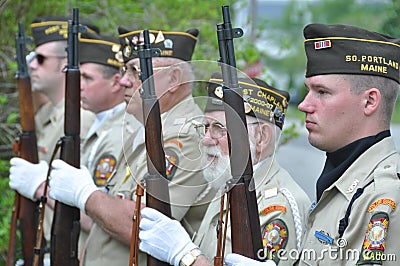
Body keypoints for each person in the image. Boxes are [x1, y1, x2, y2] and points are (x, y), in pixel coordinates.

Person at [224, 23, 400, 265]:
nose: (305, 105)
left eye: (322, 92)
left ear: (369, 101)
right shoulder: (340, 181)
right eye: (308, 91)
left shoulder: (384, 195)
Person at [47, 28, 217, 265]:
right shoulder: (147, 130)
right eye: (124, 70)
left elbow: (146, 226)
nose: (125, 81)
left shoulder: (187, 137)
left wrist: (85, 195)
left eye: (136, 71)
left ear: (174, 79)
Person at [138, 73, 311, 266]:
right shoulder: (227, 183)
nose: (205, 139)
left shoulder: (280, 205)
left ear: (261, 137)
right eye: (205, 127)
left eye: (219, 129)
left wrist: (186, 256)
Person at [8, 16, 99, 264]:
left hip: (72, 250)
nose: (33, 66)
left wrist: (40, 186)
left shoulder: (84, 120)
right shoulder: (49, 114)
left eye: (40, 59)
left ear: (65, 64)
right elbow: (33, 106)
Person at [77, 31, 142, 257]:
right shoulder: (103, 124)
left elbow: (101, 217)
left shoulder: (121, 132)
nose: (79, 85)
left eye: (87, 78)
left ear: (115, 83)